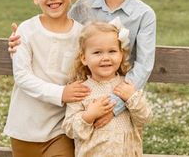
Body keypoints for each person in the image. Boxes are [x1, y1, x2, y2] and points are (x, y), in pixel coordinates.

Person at [8, 0, 156, 124]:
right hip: (83, 103)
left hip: (122, 105)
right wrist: (18, 44)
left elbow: (143, 67)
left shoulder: (144, 15)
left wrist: (114, 106)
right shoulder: (83, 7)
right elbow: (58, 33)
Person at [4, 0, 90, 157]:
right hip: (24, 128)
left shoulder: (82, 35)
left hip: (60, 129)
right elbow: (22, 77)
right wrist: (61, 94)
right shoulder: (26, 31)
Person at [62, 20, 152, 157]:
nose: (106, 58)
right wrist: (88, 116)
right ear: (84, 58)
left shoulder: (127, 86)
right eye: (97, 52)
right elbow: (70, 129)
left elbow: (145, 118)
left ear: (121, 55)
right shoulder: (80, 90)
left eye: (112, 51)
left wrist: (131, 98)